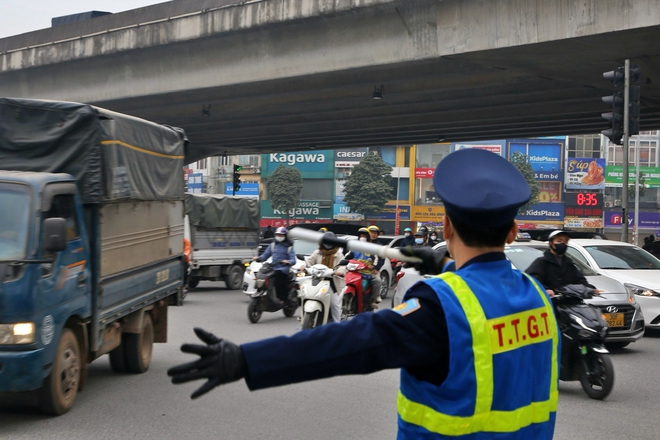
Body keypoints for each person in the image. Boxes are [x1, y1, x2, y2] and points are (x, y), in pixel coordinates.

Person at [168, 148, 559, 439]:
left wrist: (245, 359)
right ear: (512, 232)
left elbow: (351, 341)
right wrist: (443, 263)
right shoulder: (537, 297)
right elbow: (487, 291)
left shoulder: (441, 310)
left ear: (445, 228)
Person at [526, 229, 596, 297]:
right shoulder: (541, 262)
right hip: (549, 301)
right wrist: (545, 289)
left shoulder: (569, 263)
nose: (563, 244)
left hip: (568, 302)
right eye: (559, 241)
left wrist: (591, 289)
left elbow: (579, 279)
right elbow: (533, 279)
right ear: (551, 243)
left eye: (565, 241)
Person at [305, 232, 346, 323]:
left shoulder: (339, 255)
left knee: (335, 304)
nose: (328, 244)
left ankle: (337, 324)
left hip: (332, 282)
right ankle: (304, 318)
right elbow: (309, 261)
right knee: (306, 295)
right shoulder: (317, 252)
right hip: (317, 280)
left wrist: (339, 271)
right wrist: (304, 266)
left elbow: (343, 266)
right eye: (326, 241)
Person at [253, 226, 296, 305]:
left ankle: (283, 300)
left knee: (279, 279)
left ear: (285, 236)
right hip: (273, 267)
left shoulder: (289, 247)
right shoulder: (272, 245)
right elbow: (265, 255)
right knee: (264, 275)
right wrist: (259, 258)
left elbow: (293, 260)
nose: (279, 236)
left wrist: (287, 261)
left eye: (281, 235)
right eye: (278, 235)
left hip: (283, 269)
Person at [343, 227, 382, 308]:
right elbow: (347, 256)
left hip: (367, 271)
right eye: (361, 236)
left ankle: (372, 300)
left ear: (367, 237)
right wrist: (344, 261)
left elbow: (377, 259)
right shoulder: (354, 247)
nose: (362, 238)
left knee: (377, 281)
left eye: (364, 236)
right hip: (354, 271)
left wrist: (373, 266)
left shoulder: (371, 247)